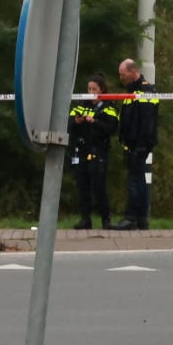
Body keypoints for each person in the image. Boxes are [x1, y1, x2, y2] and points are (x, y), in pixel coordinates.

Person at [111, 58, 159, 230]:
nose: (121, 78)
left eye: (123, 75)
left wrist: (141, 145)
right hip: (132, 142)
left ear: (133, 72)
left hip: (139, 143)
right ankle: (141, 219)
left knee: (134, 180)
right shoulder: (132, 90)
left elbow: (147, 121)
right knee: (139, 179)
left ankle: (131, 217)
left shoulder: (145, 90)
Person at [68, 75, 118, 230]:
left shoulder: (109, 107)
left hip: (99, 152)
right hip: (82, 151)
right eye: (89, 89)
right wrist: (76, 122)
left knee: (99, 188)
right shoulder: (80, 106)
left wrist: (94, 121)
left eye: (94, 89)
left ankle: (106, 220)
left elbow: (111, 128)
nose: (90, 92)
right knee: (83, 187)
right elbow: (67, 124)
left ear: (101, 90)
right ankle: (85, 219)